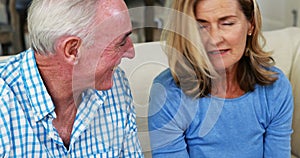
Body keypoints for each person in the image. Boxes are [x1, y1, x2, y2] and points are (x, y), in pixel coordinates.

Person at [148, 0, 294, 157]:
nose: (214, 39)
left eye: (227, 23)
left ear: (250, 24)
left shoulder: (275, 87)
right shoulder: (168, 94)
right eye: (201, 26)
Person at [0, 0, 144, 157]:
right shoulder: (4, 106)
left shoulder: (116, 87)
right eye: (120, 43)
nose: (131, 52)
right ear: (72, 50)